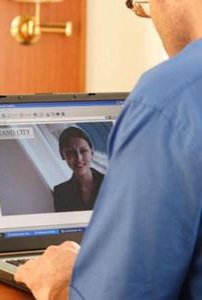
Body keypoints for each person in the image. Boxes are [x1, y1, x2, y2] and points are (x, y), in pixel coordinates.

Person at [15, 0, 202, 299]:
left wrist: (62, 283)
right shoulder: (60, 191)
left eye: (144, 4)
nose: (150, 14)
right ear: (62, 157)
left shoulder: (166, 98)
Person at [53, 126, 104, 212]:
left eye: (83, 151)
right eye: (70, 152)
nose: (79, 158)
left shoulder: (112, 183)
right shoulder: (60, 193)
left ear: (91, 153)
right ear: (62, 155)